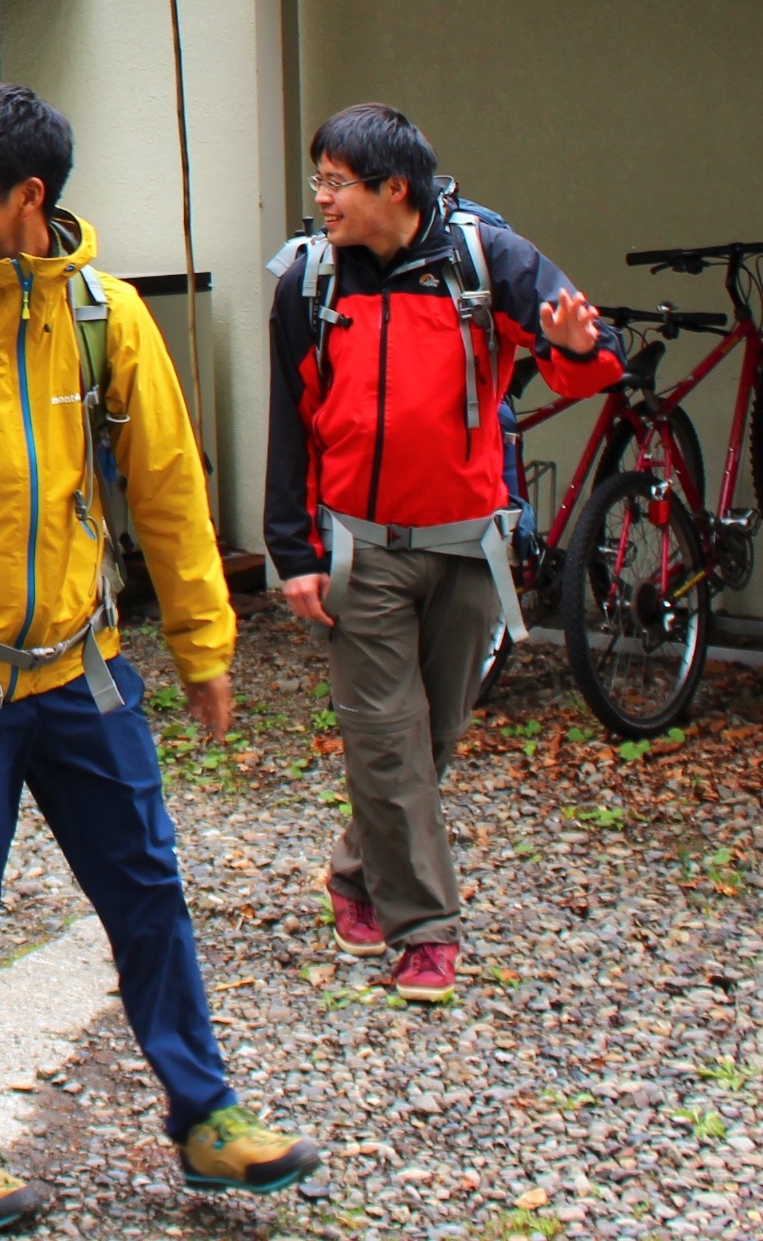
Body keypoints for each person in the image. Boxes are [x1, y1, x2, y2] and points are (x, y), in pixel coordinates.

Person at [0, 82, 324, 1231]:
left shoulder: (109, 318)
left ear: (26, 196)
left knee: (146, 885)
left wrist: (203, 642)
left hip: (83, 671)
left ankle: (207, 1115)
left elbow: (170, 488)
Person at [264, 103, 617, 1005]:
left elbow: (592, 353)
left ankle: (355, 873)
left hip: (468, 547)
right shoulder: (309, 283)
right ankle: (426, 933)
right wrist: (293, 550)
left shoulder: (485, 259)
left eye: (337, 183)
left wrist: (575, 349)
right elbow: (291, 425)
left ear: (395, 189)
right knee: (386, 740)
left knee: (431, 738)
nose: (322, 198)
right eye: (319, 181)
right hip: (361, 552)